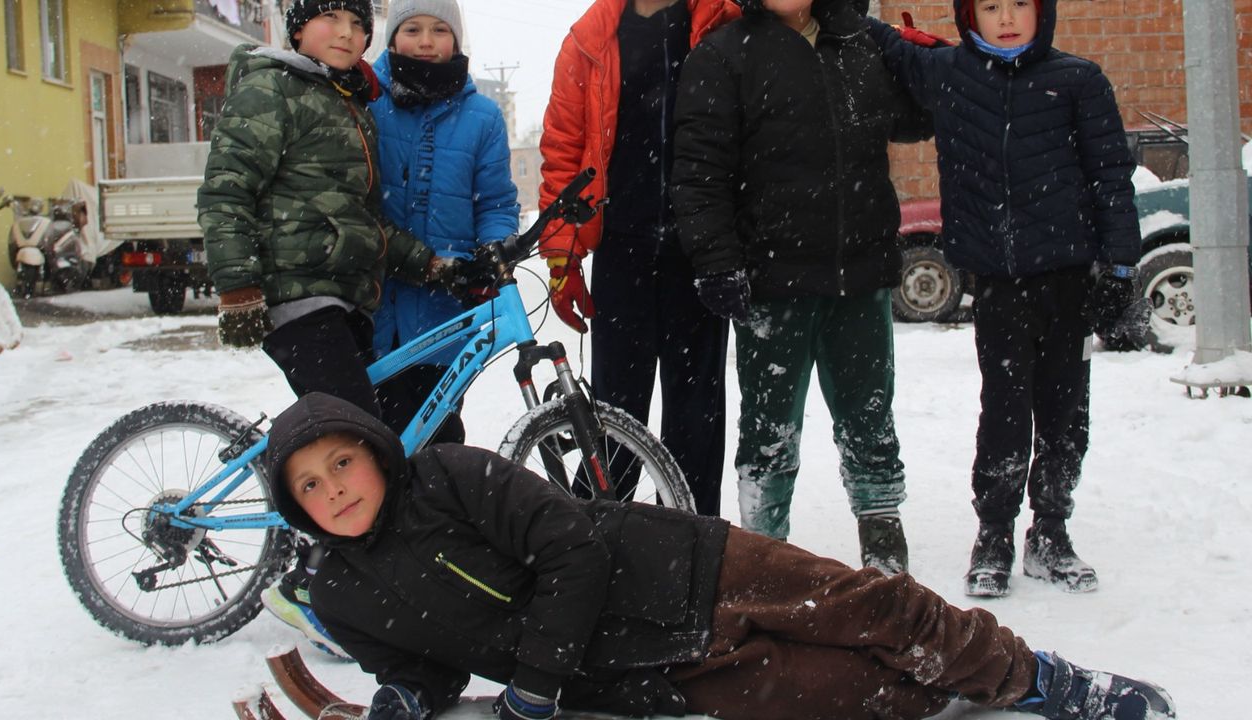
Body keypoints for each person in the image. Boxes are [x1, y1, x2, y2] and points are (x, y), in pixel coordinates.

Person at [263, 391, 1176, 720]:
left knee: (875, 609)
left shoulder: (450, 476)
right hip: (639, 666)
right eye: (310, 486)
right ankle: (948, 689)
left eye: (342, 463)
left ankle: (1041, 680)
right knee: (862, 698)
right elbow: (418, 670)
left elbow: (573, 548)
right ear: (294, 507)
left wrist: (534, 682)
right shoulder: (340, 593)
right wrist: (399, 697)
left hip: (684, 568)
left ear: (373, 452)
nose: (335, 490)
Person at [196, 0, 458, 656]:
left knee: (378, 427)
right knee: (352, 443)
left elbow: (362, 225)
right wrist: (238, 290)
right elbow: (226, 191)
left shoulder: (345, 102)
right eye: (330, 19)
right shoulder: (271, 88)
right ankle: (310, 585)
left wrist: (431, 264)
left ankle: (361, 567)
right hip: (294, 298)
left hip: (341, 301)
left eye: (357, 23)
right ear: (297, 28)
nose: (347, 34)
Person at [865, 0, 1142, 597]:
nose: (1007, 17)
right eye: (991, 6)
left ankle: (1050, 531)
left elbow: (1111, 177)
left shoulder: (1078, 81)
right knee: (1004, 413)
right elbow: (883, 43)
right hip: (997, 286)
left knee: (1066, 415)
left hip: (1069, 282)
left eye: (1020, 4)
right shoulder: (950, 75)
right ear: (970, 16)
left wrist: (1120, 269)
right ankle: (993, 532)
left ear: (1043, 12)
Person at [669, 0, 931, 573]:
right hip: (774, 282)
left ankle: (883, 540)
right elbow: (697, 171)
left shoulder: (861, 43)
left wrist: (920, 57)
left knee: (870, 416)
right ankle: (764, 559)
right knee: (769, 428)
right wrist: (716, 260)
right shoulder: (723, 54)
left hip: (860, 272)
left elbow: (918, 115)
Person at [537, 0, 742, 516]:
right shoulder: (589, 38)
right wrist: (563, 254)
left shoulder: (721, 22)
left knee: (696, 409)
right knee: (613, 409)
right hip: (621, 249)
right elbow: (564, 148)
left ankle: (693, 535)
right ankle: (602, 532)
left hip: (699, 249)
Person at [369, 0, 520, 447]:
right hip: (372, 302)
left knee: (437, 438)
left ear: (455, 39)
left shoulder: (483, 118)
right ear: (393, 36)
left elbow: (494, 201)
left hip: (444, 307)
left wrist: (496, 247)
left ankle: (437, 517)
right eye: (412, 29)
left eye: (439, 30)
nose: (426, 42)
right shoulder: (366, 99)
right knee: (368, 441)